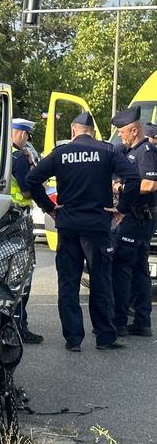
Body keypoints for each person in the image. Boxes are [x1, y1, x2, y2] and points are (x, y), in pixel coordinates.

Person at [26, 112, 140, 351]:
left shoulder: (60, 153)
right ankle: (105, 338)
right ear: (93, 132)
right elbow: (132, 177)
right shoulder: (108, 151)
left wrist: (49, 208)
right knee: (101, 280)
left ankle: (73, 339)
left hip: (67, 224)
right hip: (97, 226)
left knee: (68, 282)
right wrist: (122, 209)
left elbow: (32, 179)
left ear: (72, 131)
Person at [0, 118, 43, 343]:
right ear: (21, 134)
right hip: (17, 221)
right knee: (22, 276)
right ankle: (19, 327)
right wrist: (34, 167)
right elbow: (28, 191)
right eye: (27, 136)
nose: (27, 141)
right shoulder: (19, 158)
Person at [110, 108, 157, 337]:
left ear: (134, 130)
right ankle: (142, 322)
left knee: (122, 268)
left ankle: (118, 323)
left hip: (137, 218)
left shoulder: (144, 151)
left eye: (122, 131)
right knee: (139, 270)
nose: (120, 135)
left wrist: (120, 187)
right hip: (138, 218)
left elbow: (149, 185)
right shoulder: (133, 151)